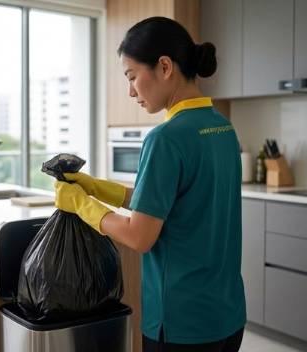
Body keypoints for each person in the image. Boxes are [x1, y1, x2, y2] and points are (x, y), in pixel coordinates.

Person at [54, 16, 246, 352]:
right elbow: (171, 203)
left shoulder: (166, 138)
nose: (130, 91)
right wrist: (96, 186)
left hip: (181, 324)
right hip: (226, 317)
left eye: (132, 77)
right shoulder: (222, 128)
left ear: (165, 66)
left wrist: (81, 205)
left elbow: (139, 236)